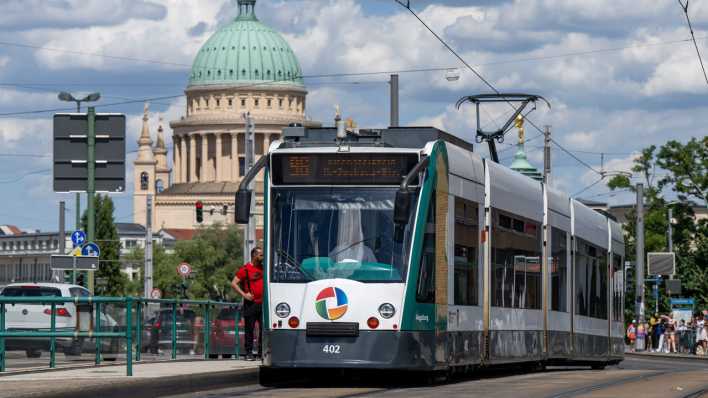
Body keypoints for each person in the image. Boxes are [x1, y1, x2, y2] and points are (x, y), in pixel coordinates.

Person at [231, 246, 264, 361]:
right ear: (254, 255)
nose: (262, 257)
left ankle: (261, 353)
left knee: (263, 329)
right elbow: (234, 283)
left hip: (263, 304)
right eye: (260, 255)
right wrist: (244, 295)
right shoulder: (245, 269)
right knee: (249, 329)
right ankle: (249, 353)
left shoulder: (264, 268)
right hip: (251, 304)